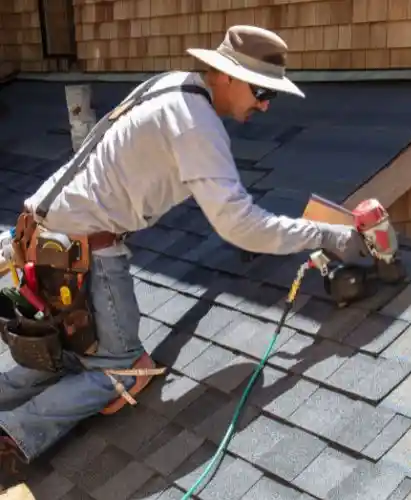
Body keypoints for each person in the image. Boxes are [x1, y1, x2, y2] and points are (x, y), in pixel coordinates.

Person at [0, 25, 367, 477]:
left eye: (271, 95)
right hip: (83, 250)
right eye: (259, 90)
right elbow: (242, 226)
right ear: (226, 76)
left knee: (65, 356)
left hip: (44, 233)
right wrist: (329, 236)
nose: (264, 104)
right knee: (123, 371)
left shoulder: (173, 85)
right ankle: (11, 434)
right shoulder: (197, 124)